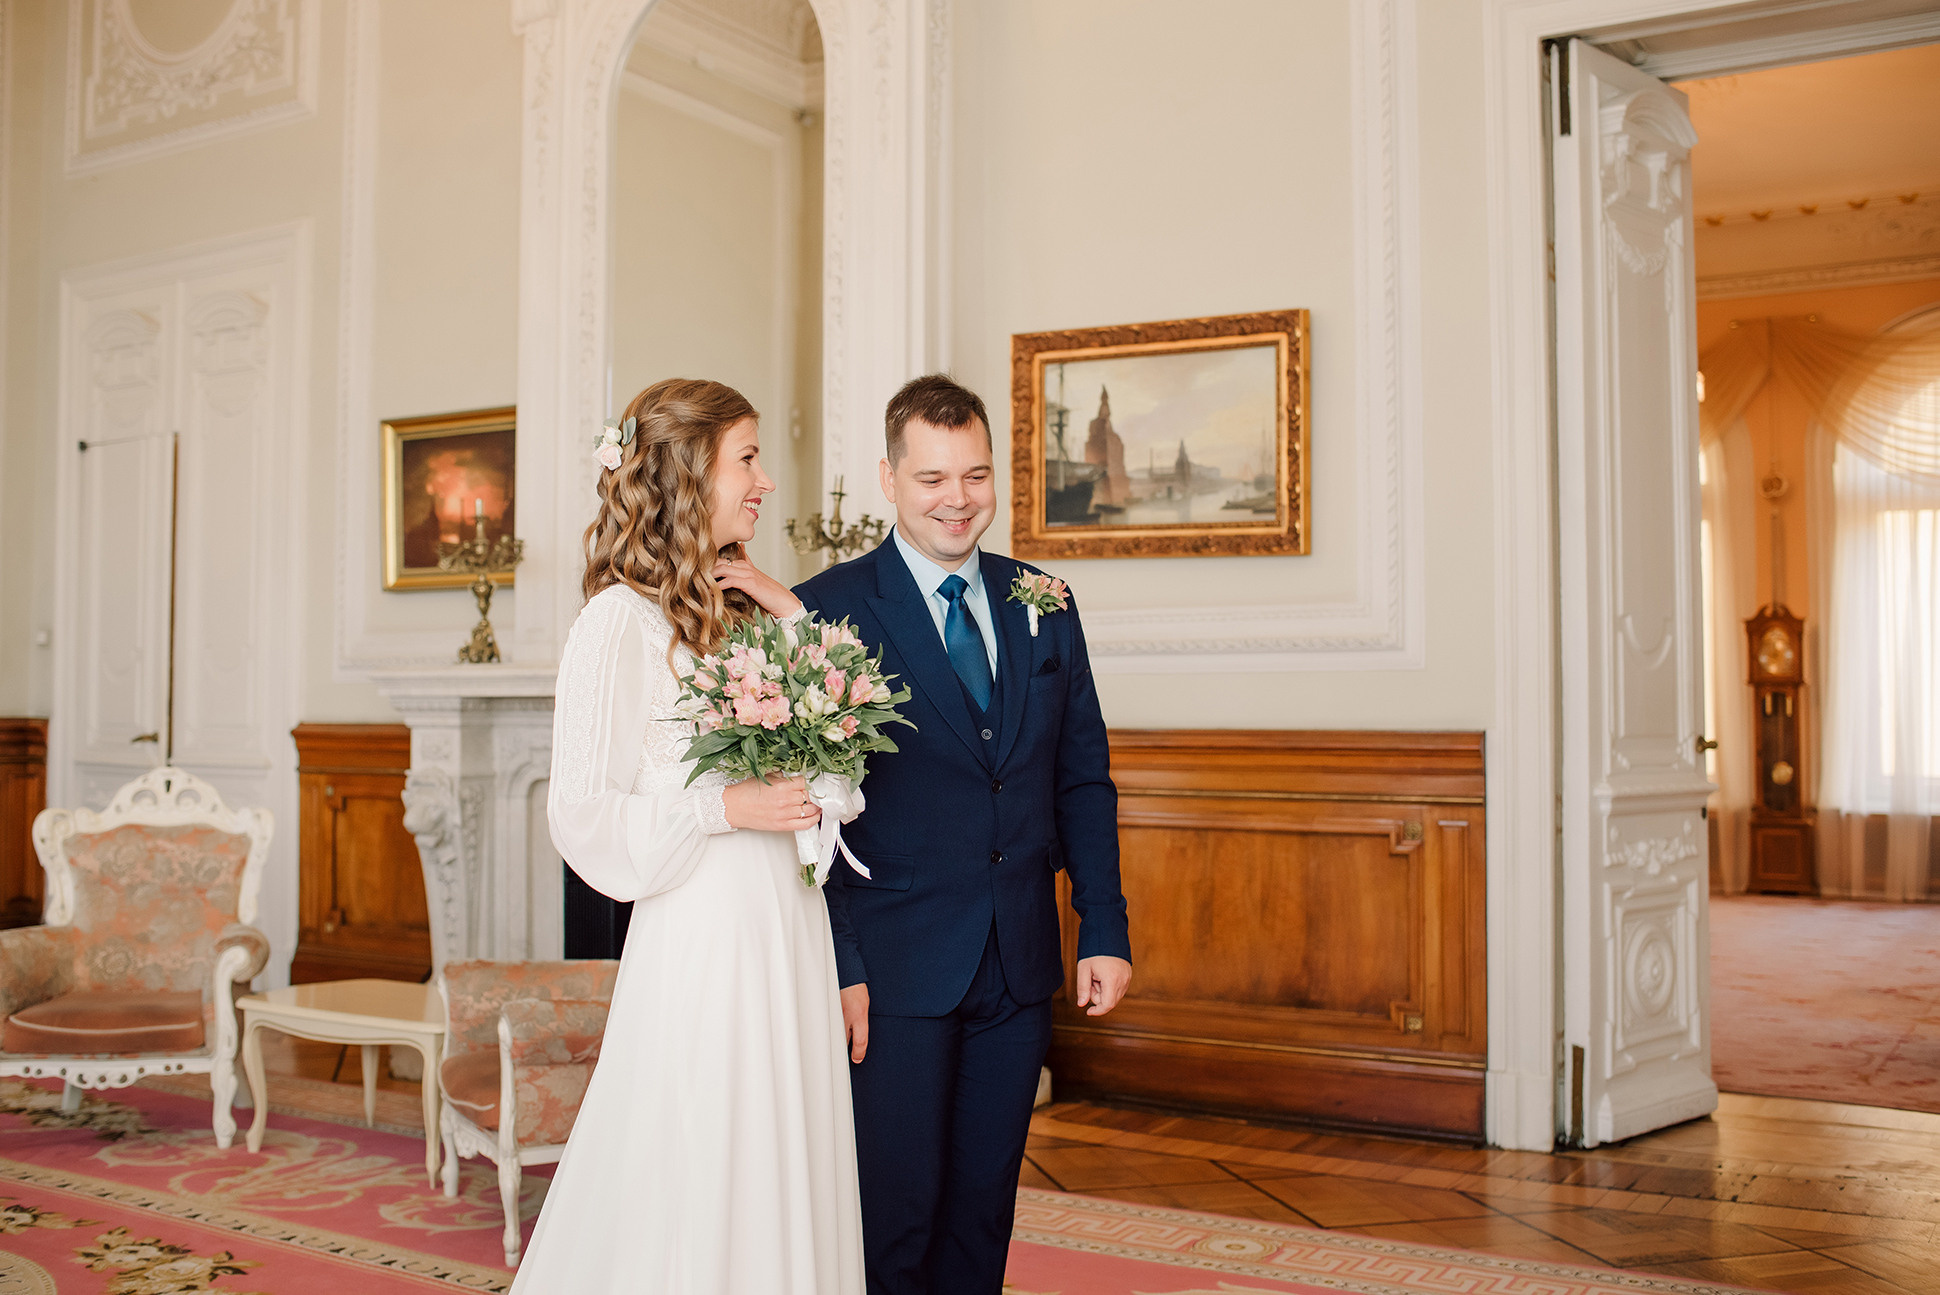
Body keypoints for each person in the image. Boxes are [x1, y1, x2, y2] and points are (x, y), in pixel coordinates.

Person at [513, 378, 864, 1294]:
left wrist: (793, 617)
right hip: (704, 938)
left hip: (788, 929)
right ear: (689, 472)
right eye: (748, 459)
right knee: (704, 1155)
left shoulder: (745, 617)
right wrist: (722, 809)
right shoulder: (615, 624)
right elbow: (581, 813)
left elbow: (839, 786)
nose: (765, 481)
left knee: (783, 1156)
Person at [794, 374, 1132, 1295]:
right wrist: (840, 963)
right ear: (889, 479)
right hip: (892, 973)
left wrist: (1102, 925)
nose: (958, 498)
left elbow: (1082, 777)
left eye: (975, 475)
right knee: (894, 1219)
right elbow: (808, 816)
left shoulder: (1046, 599)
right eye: (933, 477)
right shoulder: (821, 611)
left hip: (1018, 965)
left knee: (983, 1216)